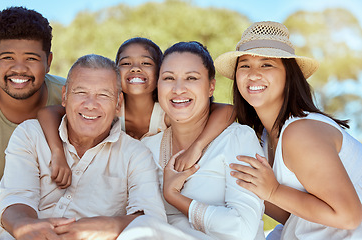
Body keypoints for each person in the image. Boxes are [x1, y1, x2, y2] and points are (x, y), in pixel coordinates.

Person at [215, 21, 362, 239]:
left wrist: (272, 191)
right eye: (244, 65)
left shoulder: (302, 132)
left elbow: (349, 217)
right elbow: (299, 214)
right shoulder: (263, 138)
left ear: (288, 75)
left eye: (267, 65)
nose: (253, 74)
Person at [0, 54, 168, 239]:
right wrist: (27, 227)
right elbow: (15, 200)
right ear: (64, 97)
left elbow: (153, 220)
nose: (90, 105)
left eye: (103, 95)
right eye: (81, 93)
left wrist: (105, 226)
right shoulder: (30, 135)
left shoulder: (136, 155)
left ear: (118, 104)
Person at [38, 37, 235, 188]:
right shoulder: (109, 109)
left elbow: (227, 111)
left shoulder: (167, 112)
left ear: (160, 73)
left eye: (146, 63)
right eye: (125, 63)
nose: (135, 69)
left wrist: (197, 147)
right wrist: (57, 153)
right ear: (115, 73)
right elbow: (47, 113)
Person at [142, 41, 266, 239]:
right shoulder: (146, 149)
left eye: (191, 78)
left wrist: (174, 197)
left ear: (211, 87)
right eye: (168, 78)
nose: (178, 88)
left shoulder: (237, 139)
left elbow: (243, 230)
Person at [0, 7, 65, 239]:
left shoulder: (71, 98)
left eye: (31, 58)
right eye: (8, 58)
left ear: (48, 61)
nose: (19, 68)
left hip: (49, 213)